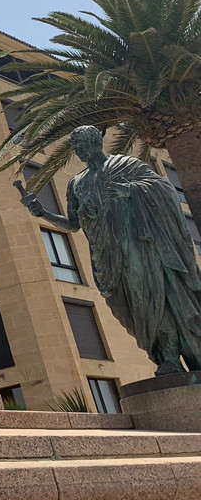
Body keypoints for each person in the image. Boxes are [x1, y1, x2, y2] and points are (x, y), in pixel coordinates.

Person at [20, 125, 201, 375]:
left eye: (84, 145)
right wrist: (43, 213)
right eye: (77, 148)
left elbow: (163, 190)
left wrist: (130, 190)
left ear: (96, 143)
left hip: (138, 249)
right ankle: (163, 356)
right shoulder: (77, 184)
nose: (81, 151)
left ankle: (169, 358)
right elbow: (73, 225)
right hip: (107, 258)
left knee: (152, 301)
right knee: (133, 311)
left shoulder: (126, 166)